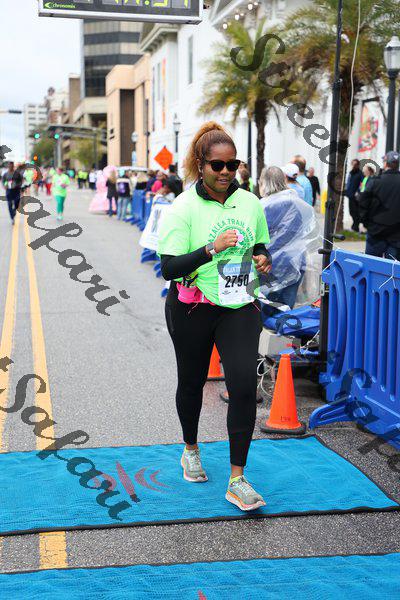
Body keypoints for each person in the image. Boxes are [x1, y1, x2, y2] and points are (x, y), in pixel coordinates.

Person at [158, 121, 271, 512]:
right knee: (191, 382)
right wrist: (211, 248)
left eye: (232, 164)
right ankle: (190, 448)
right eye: (217, 165)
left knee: (243, 385)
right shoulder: (182, 208)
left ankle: (237, 479)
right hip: (193, 307)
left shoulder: (250, 203)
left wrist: (263, 258)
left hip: (239, 306)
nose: (225, 172)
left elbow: (260, 245)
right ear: (201, 165)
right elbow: (169, 268)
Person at [258, 166, 318, 319]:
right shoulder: (297, 202)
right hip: (294, 262)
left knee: (264, 309)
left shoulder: (263, 206)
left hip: (268, 265)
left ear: (264, 182)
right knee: (285, 310)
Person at [359, 151, 400, 260]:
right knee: (393, 268)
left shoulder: (375, 181)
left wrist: (366, 223)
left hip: (375, 232)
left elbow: (363, 203)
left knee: (372, 265)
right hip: (396, 235)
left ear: (385, 163)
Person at [345, 158, 364, 232]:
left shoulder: (360, 173)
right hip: (350, 195)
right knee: (351, 212)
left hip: (356, 197)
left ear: (358, 165)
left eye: (355, 164)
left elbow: (363, 184)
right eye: (352, 164)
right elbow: (348, 182)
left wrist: (358, 192)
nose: (353, 165)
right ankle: (354, 226)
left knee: (355, 212)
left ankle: (355, 227)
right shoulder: (351, 173)